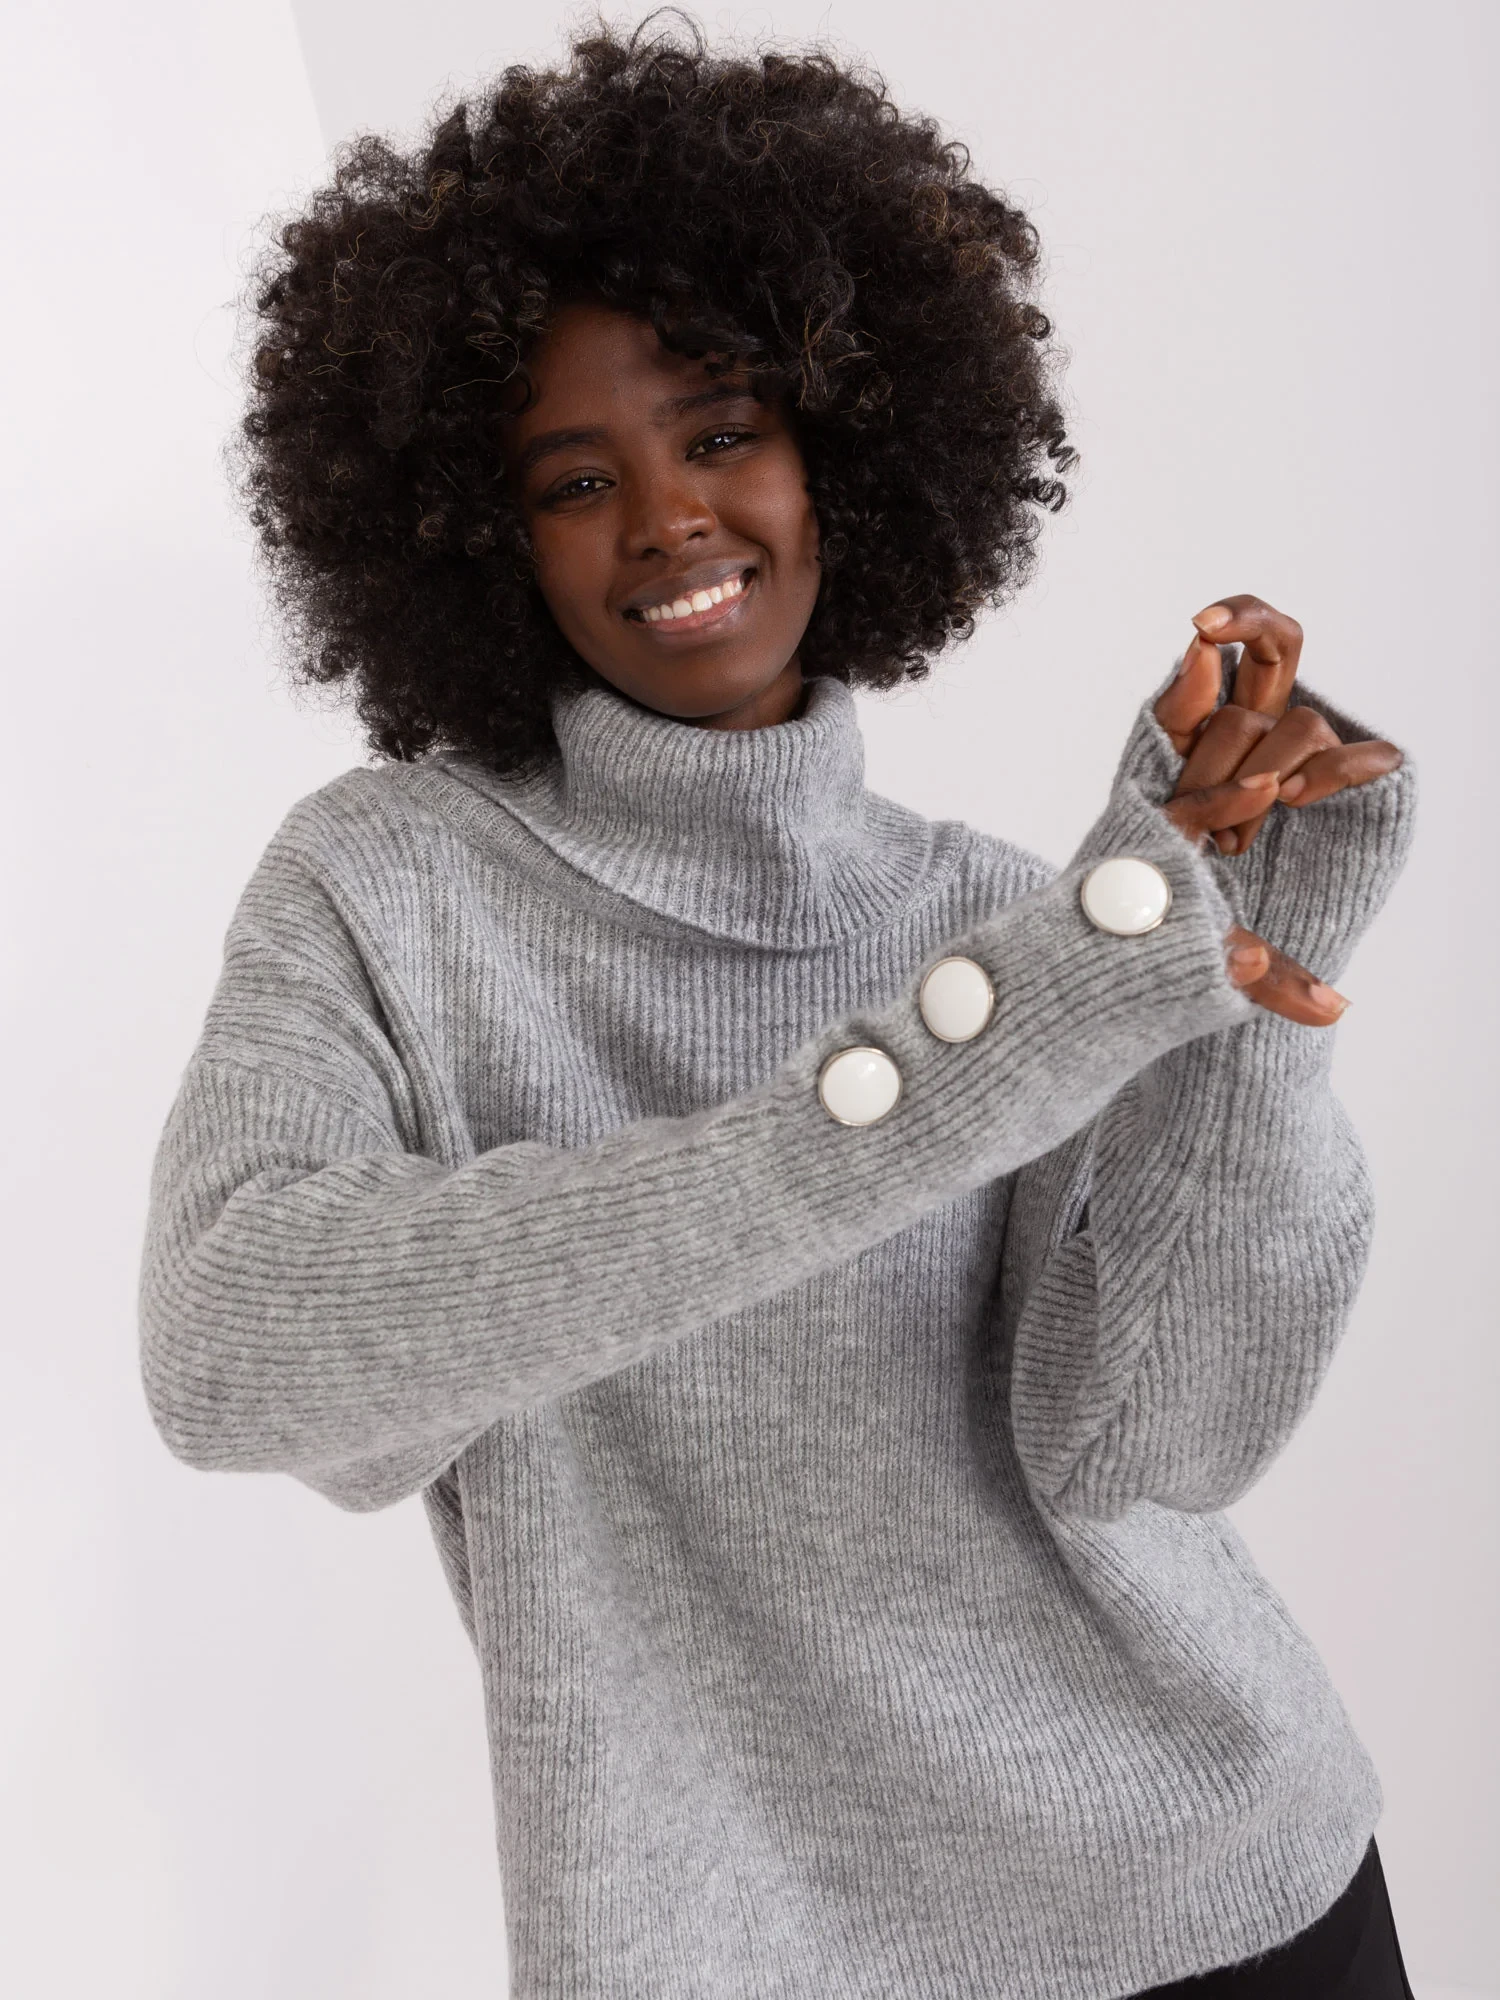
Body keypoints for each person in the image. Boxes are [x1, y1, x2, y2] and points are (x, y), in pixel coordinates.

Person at [139, 13, 1420, 1996]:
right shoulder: (387, 892)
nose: (668, 517)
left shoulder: (1002, 921)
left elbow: (1155, 1443)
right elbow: (234, 1357)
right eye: (577, 477)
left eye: (723, 433)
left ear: (843, 452)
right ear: (480, 534)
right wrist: (959, 1062)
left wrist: (1236, 987)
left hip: (1219, 1894)